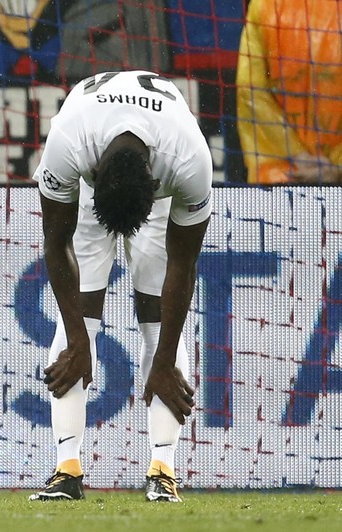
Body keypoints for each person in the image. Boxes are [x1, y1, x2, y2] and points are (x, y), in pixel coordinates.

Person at [30, 70, 212, 503]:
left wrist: (164, 360)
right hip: (100, 178)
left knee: (155, 308)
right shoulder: (69, 143)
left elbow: (183, 267)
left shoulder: (189, 160)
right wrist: (78, 340)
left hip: (156, 174)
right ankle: (66, 470)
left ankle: (163, 470)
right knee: (81, 306)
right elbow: (56, 244)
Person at [236, 0, 342, 185]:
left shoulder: (264, 6)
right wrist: (336, 168)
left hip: (281, 177)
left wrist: (298, 156)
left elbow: (250, 92)